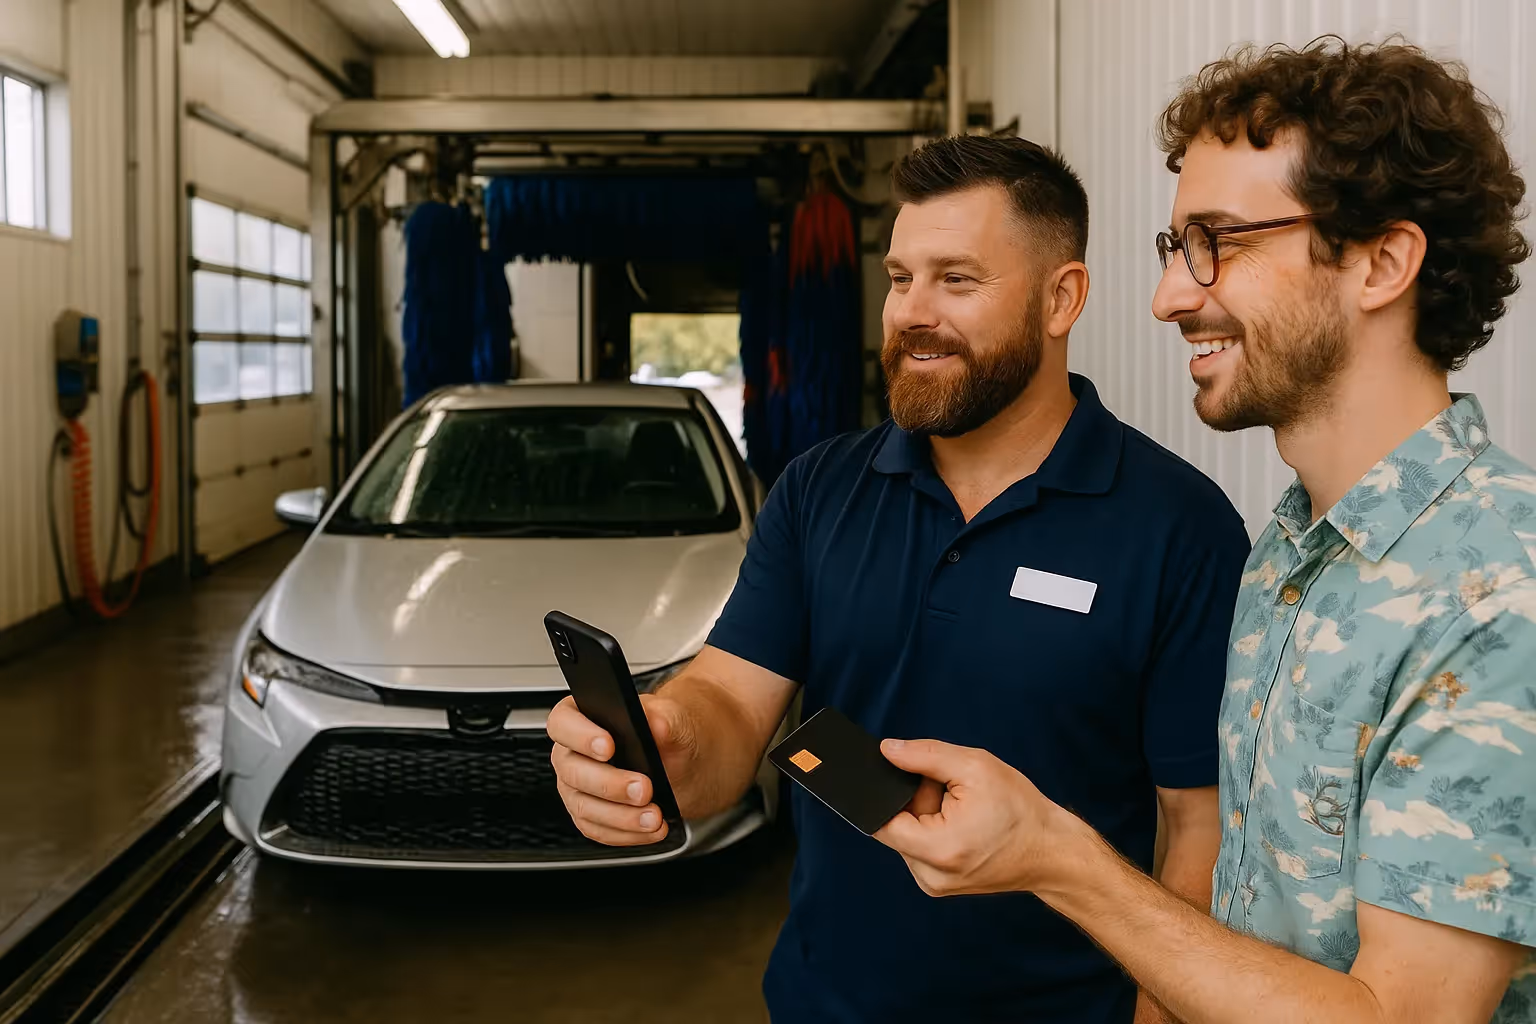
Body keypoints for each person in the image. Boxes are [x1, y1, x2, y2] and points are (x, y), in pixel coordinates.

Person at [873, 38, 1536, 1024]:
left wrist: (1060, 860)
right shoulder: (1289, 548)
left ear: (1384, 262)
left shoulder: (1500, 591)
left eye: (1217, 241)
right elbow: (1242, 910)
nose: (1171, 295)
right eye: (1176, 247)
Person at [546, 134, 1251, 1023]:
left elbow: (1199, 830)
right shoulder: (818, 490)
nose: (912, 311)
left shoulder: (1179, 526)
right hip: (821, 1003)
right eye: (899, 277)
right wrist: (664, 741)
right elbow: (728, 701)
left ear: (1060, 298)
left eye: (957, 280)